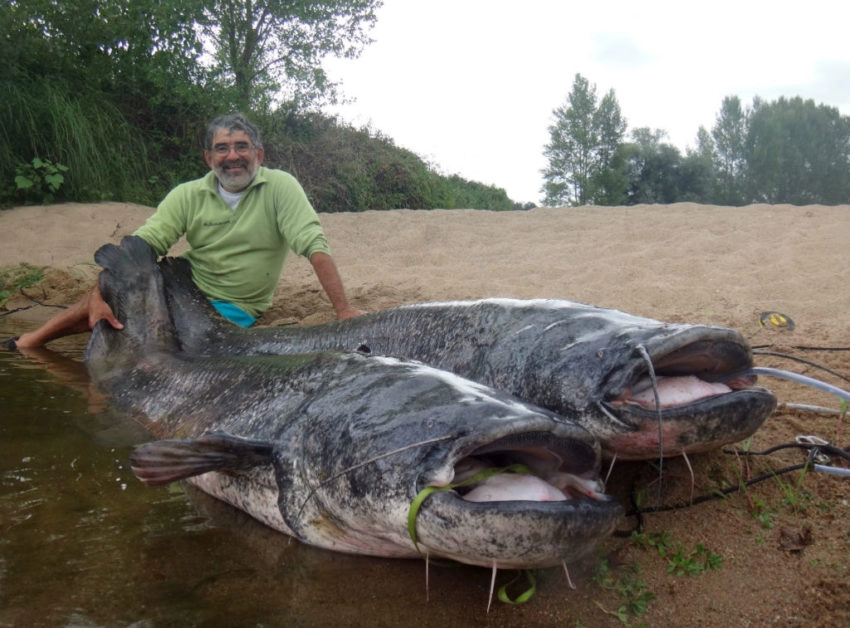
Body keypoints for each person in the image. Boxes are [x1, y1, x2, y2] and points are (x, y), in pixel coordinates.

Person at [9, 113, 364, 349]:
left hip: (234, 306)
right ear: (208, 158)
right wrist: (101, 297)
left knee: (165, 343)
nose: (233, 156)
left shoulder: (281, 187)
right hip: (182, 285)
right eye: (222, 148)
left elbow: (313, 244)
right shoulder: (187, 194)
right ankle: (31, 342)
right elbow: (141, 248)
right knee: (114, 293)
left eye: (242, 147)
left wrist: (343, 310)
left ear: (259, 154)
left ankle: (43, 340)